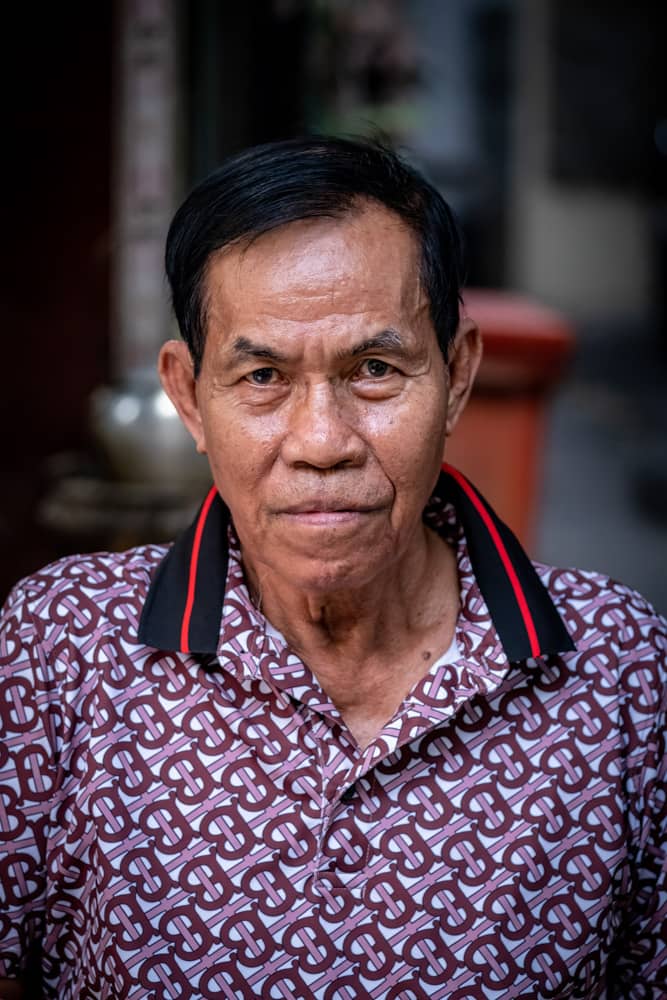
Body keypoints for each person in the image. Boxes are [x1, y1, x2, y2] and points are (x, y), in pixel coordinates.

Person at [0, 136, 665, 1000]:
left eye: (376, 370)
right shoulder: (59, 650)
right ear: (188, 395)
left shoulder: (620, 672)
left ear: (457, 376)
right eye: (263, 376)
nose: (322, 442)